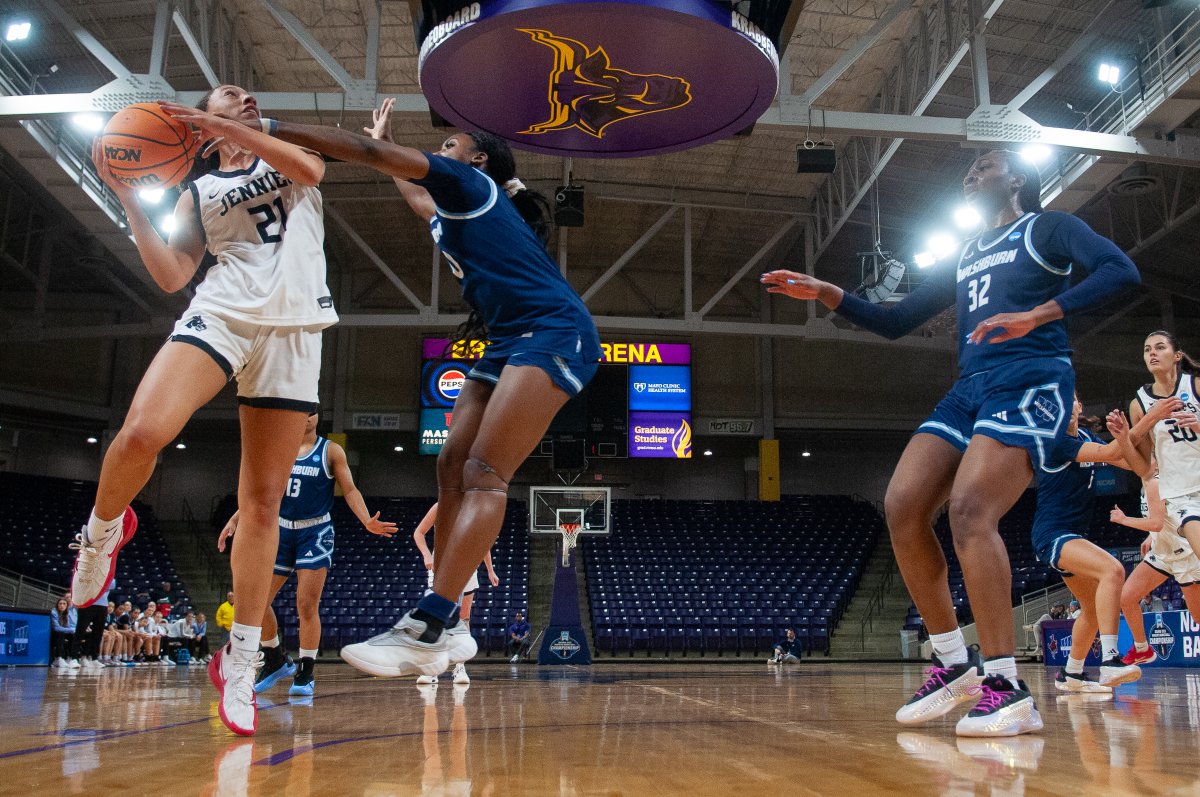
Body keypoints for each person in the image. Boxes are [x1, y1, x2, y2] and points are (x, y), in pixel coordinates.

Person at [761, 149, 1140, 736]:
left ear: (1016, 178)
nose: (970, 172)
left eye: (985, 164)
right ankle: (953, 663)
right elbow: (896, 319)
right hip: (971, 388)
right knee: (903, 506)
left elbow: (1120, 270)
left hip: (1034, 377)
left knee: (969, 511)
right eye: (967, 167)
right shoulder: (966, 253)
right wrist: (828, 293)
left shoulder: (1048, 226)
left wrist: (1038, 314)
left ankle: (1008, 685)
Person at [235, 97, 600, 679]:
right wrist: (384, 143)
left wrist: (266, 128)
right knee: (450, 465)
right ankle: (449, 622)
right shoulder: (456, 206)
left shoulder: (469, 184)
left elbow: (372, 156)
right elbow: (413, 195)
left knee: (484, 473)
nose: (441, 151)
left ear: (477, 160)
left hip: (555, 331)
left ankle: (430, 623)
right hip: (507, 339)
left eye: (450, 144)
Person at [74, 84, 337, 736]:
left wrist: (238, 132)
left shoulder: (284, 153)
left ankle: (243, 662)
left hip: (294, 327)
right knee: (141, 431)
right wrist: (134, 202)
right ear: (197, 121)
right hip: (221, 309)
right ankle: (100, 538)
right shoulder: (195, 191)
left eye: (247, 94)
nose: (244, 94)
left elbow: (313, 170)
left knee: (261, 502)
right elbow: (171, 274)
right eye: (228, 93)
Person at [218, 410, 396, 697]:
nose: (307, 418)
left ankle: (306, 669)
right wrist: (236, 519)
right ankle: (274, 657)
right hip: (281, 529)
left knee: (305, 604)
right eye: (302, 412)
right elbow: (263, 492)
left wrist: (366, 521)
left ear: (317, 418)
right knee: (255, 601)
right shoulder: (280, 448)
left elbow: (349, 489)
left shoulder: (331, 450)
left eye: (312, 413)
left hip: (315, 531)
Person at [1030, 395, 1142, 692]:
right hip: (1053, 534)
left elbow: (1129, 463)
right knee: (1113, 571)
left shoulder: (1084, 436)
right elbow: (1109, 450)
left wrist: (1135, 445)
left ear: (1079, 407)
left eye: (1073, 399)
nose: (1066, 404)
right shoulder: (1057, 442)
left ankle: (1072, 674)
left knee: (1092, 609)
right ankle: (1109, 661)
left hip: (1073, 535)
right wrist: (1149, 418)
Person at [1109, 330, 1200, 666]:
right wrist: (1125, 437)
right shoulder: (1140, 403)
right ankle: (1142, 648)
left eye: (1160, 347)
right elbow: (1142, 467)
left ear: (1176, 355)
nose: (1152, 353)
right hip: (1180, 502)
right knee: (1128, 596)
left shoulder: (1195, 386)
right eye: (1147, 349)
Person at [412, 503, 500, 684]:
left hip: (467, 565)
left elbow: (483, 543)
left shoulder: (476, 505)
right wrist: (427, 555)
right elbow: (418, 533)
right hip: (441, 566)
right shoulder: (440, 506)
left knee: (463, 618)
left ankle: (460, 667)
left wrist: (490, 570)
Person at [50, 597, 79, 669]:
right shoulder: (54, 612)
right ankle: (58, 659)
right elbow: (56, 628)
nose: (62, 605)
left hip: (63, 632)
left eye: (64, 604)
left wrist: (73, 630)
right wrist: (71, 630)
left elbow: (68, 626)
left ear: (66, 606)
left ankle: (70, 657)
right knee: (61, 633)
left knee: (73, 636)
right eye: (60, 604)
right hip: (53, 634)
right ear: (57, 605)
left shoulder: (67, 613)